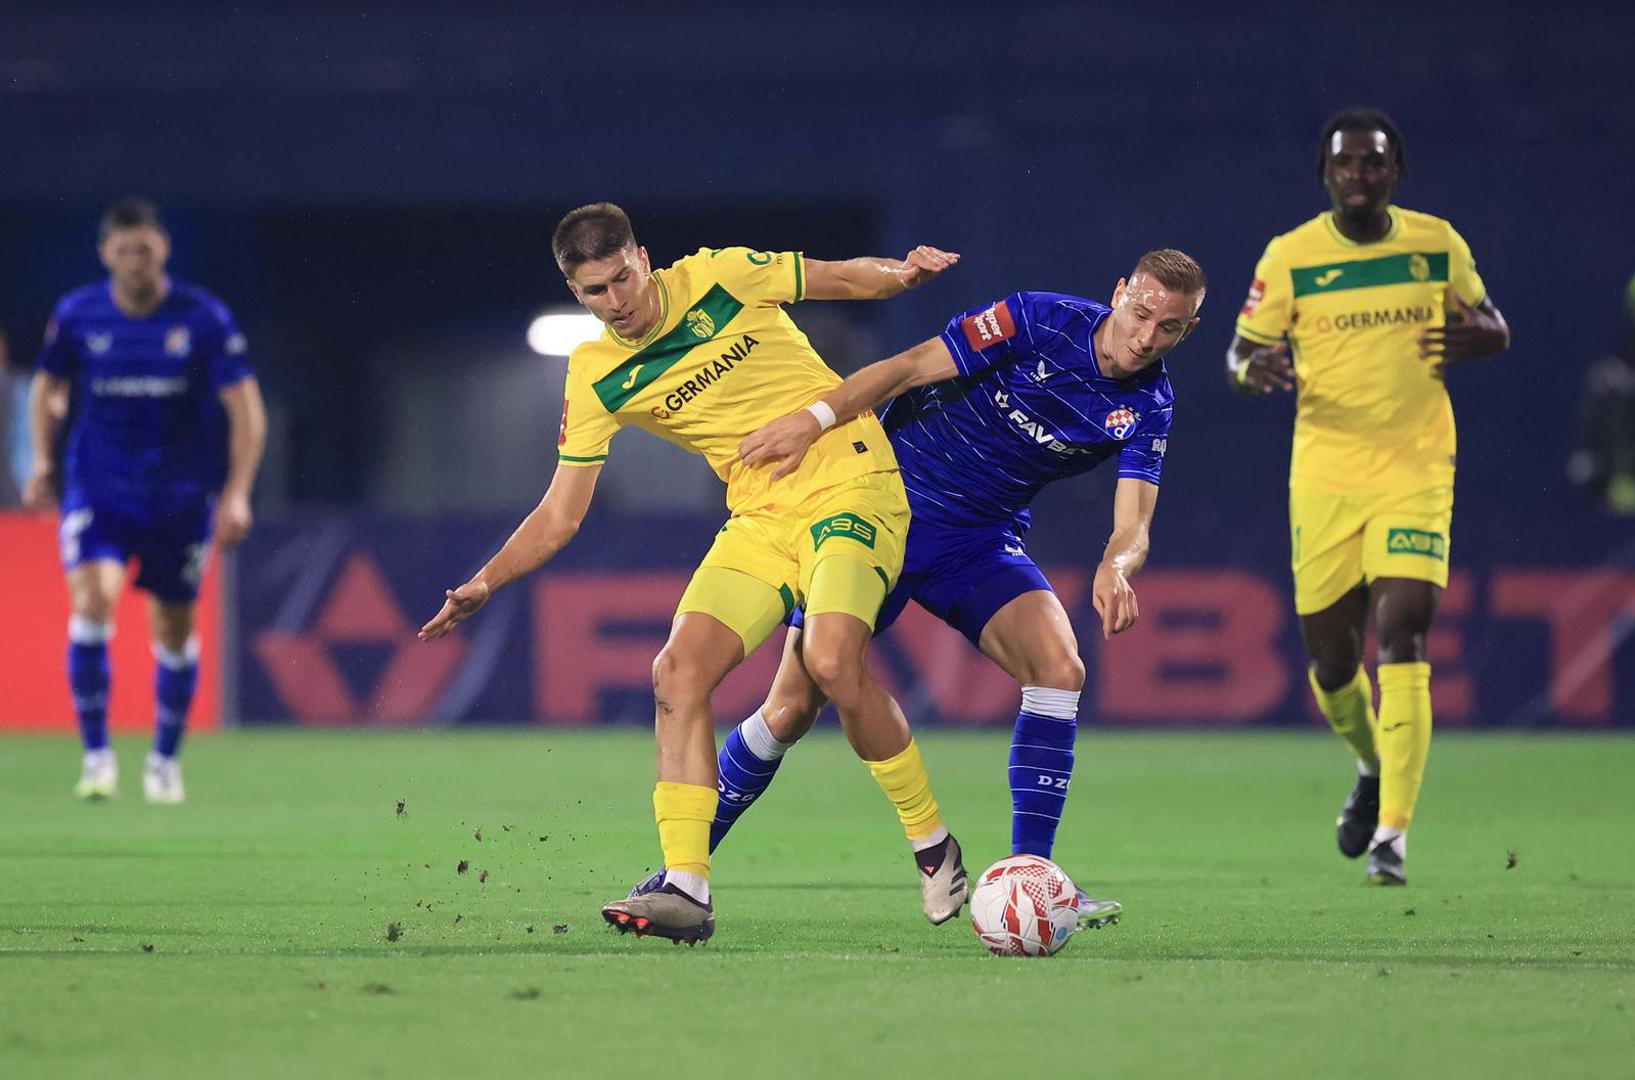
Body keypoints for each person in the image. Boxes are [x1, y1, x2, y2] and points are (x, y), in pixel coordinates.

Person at [419, 203, 966, 944]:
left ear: (643, 258)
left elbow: (843, 279)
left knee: (832, 661)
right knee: (676, 672)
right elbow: (560, 514)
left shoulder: (721, 276)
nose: (617, 301)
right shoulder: (596, 374)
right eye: (594, 291)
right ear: (575, 293)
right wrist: (487, 581)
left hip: (850, 482)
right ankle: (686, 886)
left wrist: (900, 275)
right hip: (760, 520)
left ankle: (931, 842)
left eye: (622, 278)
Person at [658, 251, 1206, 926]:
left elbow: (1133, 525)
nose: (1146, 337)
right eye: (1141, 313)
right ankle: (679, 875)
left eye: (1168, 328)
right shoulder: (1037, 319)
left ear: (1189, 329)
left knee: (1059, 668)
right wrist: (815, 420)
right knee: (791, 708)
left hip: (977, 541)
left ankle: (1031, 876)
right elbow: (909, 368)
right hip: (879, 511)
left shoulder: (1150, 404)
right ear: (1118, 292)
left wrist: (1116, 566)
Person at [1226, 109, 1509, 885]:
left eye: (1373, 162)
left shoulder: (1435, 243)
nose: (1358, 174)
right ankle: (1371, 764)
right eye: (1345, 163)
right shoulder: (1290, 256)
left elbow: (1489, 320)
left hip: (1416, 465)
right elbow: (1240, 354)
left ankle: (1392, 835)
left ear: (1395, 172)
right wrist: (1252, 372)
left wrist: (1486, 336)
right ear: (1325, 173)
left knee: (1405, 631)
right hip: (1324, 474)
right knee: (1331, 663)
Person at [25, 197, 268, 804]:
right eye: (125, 250)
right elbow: (48, 386)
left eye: (147, 249)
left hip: (178, 497)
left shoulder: (202, 317)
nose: (136, 260)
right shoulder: (77, 314)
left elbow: (245, 407)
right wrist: (43, 459)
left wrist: (238, 492)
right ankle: (97, 757)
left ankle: (164, 759)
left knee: (175, 628)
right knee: (93, 601)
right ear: (105, 253)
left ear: (164, 249)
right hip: (99, 488)